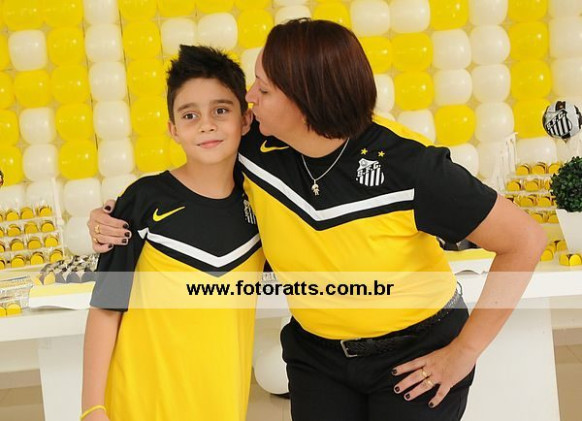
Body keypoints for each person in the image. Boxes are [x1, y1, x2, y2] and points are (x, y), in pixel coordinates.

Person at [88, 19, 547, 421]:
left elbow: (524, 240)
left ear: (305, 99)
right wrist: (111, 217)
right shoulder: (255, 144)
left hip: (415, 353)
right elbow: (194, 174)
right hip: (317, 358)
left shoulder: (410, 166)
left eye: (263, 88)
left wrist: (464, 353)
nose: (249, 98)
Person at [81, 45, 265, 421]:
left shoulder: (261, 207)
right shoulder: (142, 201)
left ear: (246, 120)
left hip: (222, 405)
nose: (206, 125)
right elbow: (106, 308)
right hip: (138, 406)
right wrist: (92, 408)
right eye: (190, 115)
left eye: (221, 110)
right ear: (173, 130)